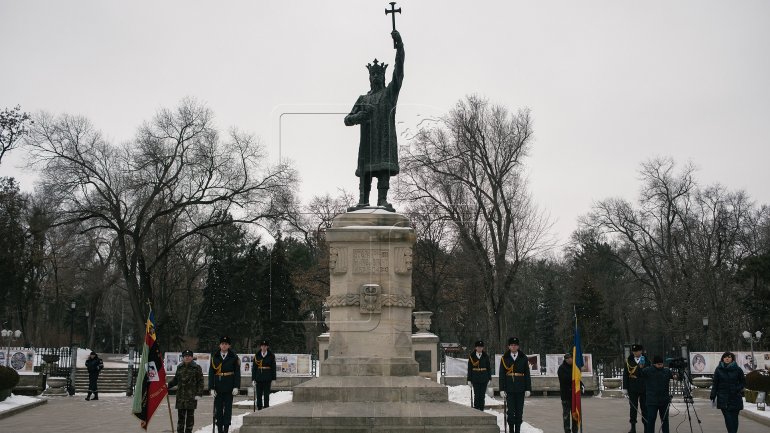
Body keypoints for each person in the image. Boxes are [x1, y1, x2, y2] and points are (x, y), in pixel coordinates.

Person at [344, 30, 404, 211]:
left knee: (383, 167)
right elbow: (347, 119)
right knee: (366, 171)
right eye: (373, 75)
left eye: (379, 75)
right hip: (368, 143)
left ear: (383, 77)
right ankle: (363, 201)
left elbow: (399, 71)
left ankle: (382, 200)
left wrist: (400, 47)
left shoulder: (389, 93)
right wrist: (358, 117)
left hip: (384, 140)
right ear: (370, 78)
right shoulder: (362, 98)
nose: (376, 77)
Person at [498, 337, 531, 433]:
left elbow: (527, 375)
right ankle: (511, 430)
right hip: (509, 388)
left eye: (515, 345)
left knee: (519, 412)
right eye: (511, 345)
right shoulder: (505, 358)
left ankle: (518, 430)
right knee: (511, 412)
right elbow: (502, 375)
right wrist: (501, 389)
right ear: (509, 346)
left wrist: (528, 388)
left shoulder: (523, 357)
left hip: (520, 388)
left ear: (518, 346)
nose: (513, 347)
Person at [209, 336, 241, 433]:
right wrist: (211, 388)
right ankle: (219, 429)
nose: (224, 346)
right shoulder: (215, 357)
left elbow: (237, 373)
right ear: (220, 345)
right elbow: (211, 373)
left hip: (229, 387)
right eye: (222, 344)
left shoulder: (234, 357)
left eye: (226, 344)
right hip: (218, 387)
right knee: (218, 410)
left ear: (229, 345)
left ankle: (226, 429)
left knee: (228, 410)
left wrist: (236, 386)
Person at [168, 349, 204, 433]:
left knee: (190, 418)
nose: (187, 358)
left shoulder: (196, 367)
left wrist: (199, 393)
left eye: (189, 356)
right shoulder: (179, 367)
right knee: (180, 418)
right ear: (183, 358)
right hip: (181, 396)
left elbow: (200, 381)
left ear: (192, 357)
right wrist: (167, 386)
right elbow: (176, 380)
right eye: (185, 356)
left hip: (191, 397)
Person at [710, 351, 745, 433]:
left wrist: (737, 389)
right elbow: (715, 383)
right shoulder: (718, 369)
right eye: (725, 357)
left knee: (734, 418)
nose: (727, 358)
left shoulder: (738, 369)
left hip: (735, 397)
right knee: (728, 418)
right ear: (722, 359)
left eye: (729, 357)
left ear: (732, 359)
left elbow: (743, 382)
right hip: (723, 398)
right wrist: (713, 395)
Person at [638, 355, 675, 433]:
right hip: (652, 401)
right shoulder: (647, 371)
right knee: (651, 420)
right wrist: (640, 366)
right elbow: (639, 374)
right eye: (658, 364)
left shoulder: (666, 371)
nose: (660, 366)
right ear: (654, 364)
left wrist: (677, 374)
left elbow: (674, 376)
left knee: (665, 420)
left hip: (664, 400)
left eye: (661, 364)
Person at [622, 344, 648, 433]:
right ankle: (633, 427)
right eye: (634, 351)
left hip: (644, 387)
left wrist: (642, 368)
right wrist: (625, 388)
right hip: (632, 387)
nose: (635, 353)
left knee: (645, 407)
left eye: (637, 351)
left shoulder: (646, 360)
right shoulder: (629, 360)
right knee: (633, 408)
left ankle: (646, 427)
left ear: (641, 351)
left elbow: (649, 373)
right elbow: (625, 375)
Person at [557, 352, 581, 433]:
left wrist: (581, 385)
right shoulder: (561, 369)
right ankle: (567, 431)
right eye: (568, 358)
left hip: (574, 396)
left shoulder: (575, 368)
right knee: (566, 416)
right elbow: (564, 380)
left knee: (575, 415)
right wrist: (574, 379)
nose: (570, 359)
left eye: (571, 358)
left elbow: (577, 380)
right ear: (565, 360)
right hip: (566, 396)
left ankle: (575, 430)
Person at [466, 340, 492, 411]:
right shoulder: (472, 356)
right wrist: (469, 379)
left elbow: (488, 368)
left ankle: (481, 409)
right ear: (475, 348)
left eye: (481, 347)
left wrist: (489, 378)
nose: (480, 348)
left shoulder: (485, 356)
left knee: (482, 395)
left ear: (483, 348)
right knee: (477, 395)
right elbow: (470, 369)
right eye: (478, 347)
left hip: (484, 377)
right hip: (475, 378)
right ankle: (476, 410)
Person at [252, 339, 277, 410]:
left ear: (267, 347)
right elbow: (254, 368)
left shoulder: (271, 356)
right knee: (259, 396)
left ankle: (266, 409)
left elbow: (273, 367)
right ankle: (259, 409)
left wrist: (274, 379)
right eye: (262, 346)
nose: (263, 347)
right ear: (260, 347)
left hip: (267, 378)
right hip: (258, 378)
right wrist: (253, 379)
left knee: (266, 396)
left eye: (265, 346)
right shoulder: (257, 355)